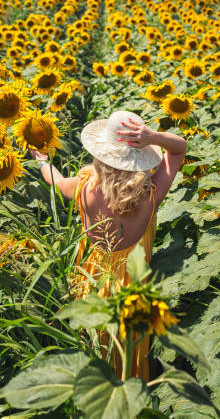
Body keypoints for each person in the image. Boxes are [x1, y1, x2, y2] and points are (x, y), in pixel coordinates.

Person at [29, 110, 186, 381]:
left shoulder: (84, 187)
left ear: (101, 155)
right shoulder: (150, 195)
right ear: (140, 157)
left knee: (93, 352)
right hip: (131, 293)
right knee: (128, 360)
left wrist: (43, 162)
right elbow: (179, 150)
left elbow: (54, 181)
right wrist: (154, 137)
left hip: (90, 282)